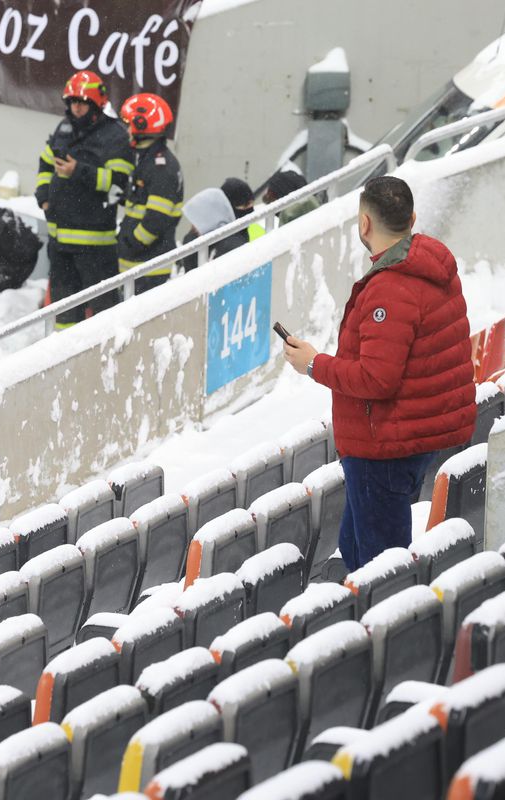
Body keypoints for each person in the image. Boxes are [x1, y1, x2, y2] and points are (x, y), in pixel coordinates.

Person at [282, 176, 476, 570]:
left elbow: (377, 379)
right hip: (408, 437)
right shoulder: (430, 266)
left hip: (385, 446)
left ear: (365, 224)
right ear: (412, 218)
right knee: (354, 549)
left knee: (380, 570)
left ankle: (386, 629)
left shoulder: (390, 289)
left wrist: (313, 364)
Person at [35, 70, 133, 329]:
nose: (76, 108)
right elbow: (45, 163)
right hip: (60, 245)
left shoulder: (115, 137)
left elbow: (118, 183)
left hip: (95, 249)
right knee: (63, 315)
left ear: (95, 104)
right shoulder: (64, 128)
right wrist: (44, 197)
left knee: (103, 315)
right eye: (72, 102)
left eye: (82, 103)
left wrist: (79, 171)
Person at [117, 93, 184, 293]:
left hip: (147, 267)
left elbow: (156, 219)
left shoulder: (160, 167)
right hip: (140, 265)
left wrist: (132, 243)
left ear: (141, 127)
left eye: (129, 124)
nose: (126, 129)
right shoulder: (147, 159)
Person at [178, 187, 246, 272]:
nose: (193, 227)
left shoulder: (231, 246)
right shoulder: (198, 243)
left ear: (209, 217)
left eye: (196, 220)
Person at [221, 177, 265, 242]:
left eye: (252, 203)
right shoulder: (213, 237)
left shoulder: (259, 230)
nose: (251, 209)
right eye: (245, 205)